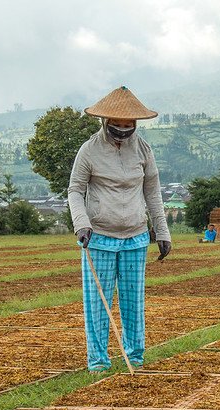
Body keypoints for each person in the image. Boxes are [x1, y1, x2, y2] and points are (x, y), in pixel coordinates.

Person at [68, 86, 171, 373]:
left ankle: (135, 356)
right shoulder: (89, 150)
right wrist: (82, 223)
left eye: (129, 125)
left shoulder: (144, 150)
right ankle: (99, 361)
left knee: (133, 302)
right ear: (105, 121)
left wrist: (162, 231)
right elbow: (75, 191)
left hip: (136, 236)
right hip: (99, 237)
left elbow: (152, 192)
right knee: (97, 305)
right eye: (118, 125)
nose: (124, 129)